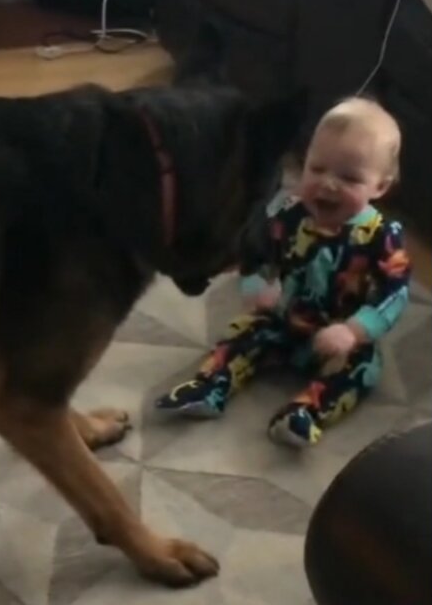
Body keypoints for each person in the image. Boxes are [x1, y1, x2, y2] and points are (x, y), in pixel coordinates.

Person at [155, 96, 411, 447]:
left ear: (380, 186)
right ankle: (210, 385)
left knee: (364, 368)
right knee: (242, 331)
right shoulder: (289, 216)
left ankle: (306, 412)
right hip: (285, 318)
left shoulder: (383, 238)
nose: (328, 185)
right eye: (317, 169)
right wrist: (256, 284)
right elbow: (257, 254)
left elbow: (393, 293)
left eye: (349, 177)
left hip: (339, 335)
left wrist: (353, 331)